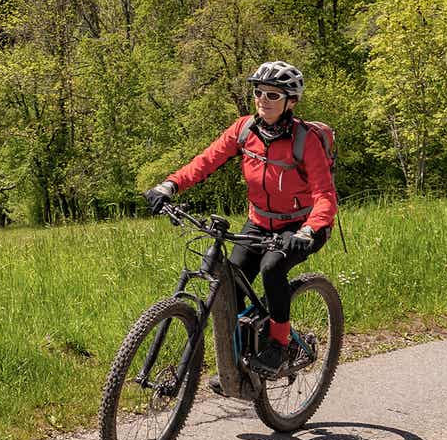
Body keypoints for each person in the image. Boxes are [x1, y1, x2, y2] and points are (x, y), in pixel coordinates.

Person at [144, 61, 337, 380]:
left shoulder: (305, 140)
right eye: (258, 92)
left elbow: (325, 194)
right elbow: (206, 160)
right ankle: (239, 363)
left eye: (273, 94)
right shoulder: (245, 129)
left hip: (301, 226)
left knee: (272, 268)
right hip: (260, 222)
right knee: (230, 286)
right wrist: (170, 185)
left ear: (291, 101)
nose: (263, 99)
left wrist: (307, 230)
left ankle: (279, 343)